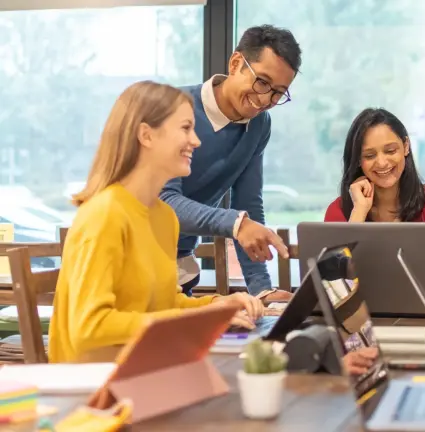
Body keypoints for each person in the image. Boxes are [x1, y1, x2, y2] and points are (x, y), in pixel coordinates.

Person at [49, 81, 266, 364]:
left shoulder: (164, 217)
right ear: (146, 135)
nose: (197, 141)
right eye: (186, 128)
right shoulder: (104, 214)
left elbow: (166, 304)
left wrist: (217, 305)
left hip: (144, 368)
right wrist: (195, 320)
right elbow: (90, 326)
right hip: (91, 385)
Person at [160, 25, 302, 296]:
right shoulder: (173, 106)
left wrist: (262, 290)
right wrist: (236, 223)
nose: (265, 99)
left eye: (278, 93)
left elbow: (247, 204)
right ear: (236, 63)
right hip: (135, 267)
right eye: (262, 82)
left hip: (180, 275)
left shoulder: (260, 125)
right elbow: (164, 200)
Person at [324, 108, 425, 308]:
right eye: (369, 155)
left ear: (406, 146)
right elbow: (334, 293)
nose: (382, 162)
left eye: (391, 151)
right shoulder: (339, 211)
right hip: (367, 328)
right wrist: (359, 212)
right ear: (358, 160)